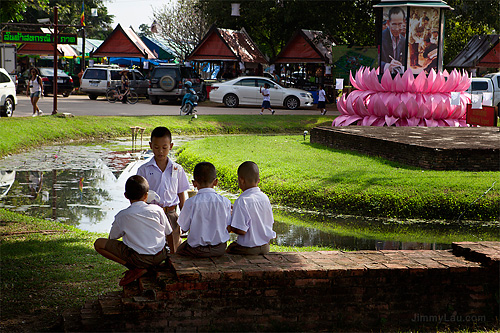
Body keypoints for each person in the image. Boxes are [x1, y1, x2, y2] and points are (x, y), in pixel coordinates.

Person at [94, 175, 174, 286]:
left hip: (138, 259)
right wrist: (172, 256)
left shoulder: (122, 215)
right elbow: (169, 233)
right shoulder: (157, 210)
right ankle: (148, 266)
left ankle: (133, 267)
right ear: (146, 195)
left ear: (126, 196)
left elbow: (112, 238)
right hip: (160, 256)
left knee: (99, 243)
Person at [137, 127, 190, 254]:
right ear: (150, 146)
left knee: (174, 248)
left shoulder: (177, 169)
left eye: (164, 148)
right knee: (152, 246)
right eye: (156, 147)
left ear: (171, 146)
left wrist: (184, 217)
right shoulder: (143, 169)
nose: (160, 151)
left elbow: (181, 193)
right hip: (151, 214)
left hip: (171, 213)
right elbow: (138, 195)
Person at [176, 162, 231, 257]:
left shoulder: (190, 202)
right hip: (219, 248)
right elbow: (228, 225)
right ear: (215, 182)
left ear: (194, 183)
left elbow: (183, 228)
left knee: (179, 250)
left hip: (197, 250)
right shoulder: (225, 202)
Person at [226, 161, 276, 255]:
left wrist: (230, 222)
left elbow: (241, 230)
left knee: (230, 248)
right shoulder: (264, 197)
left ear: (241, 180)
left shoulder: (242, 201)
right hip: (265, 246)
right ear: (258, 180)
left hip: (248, 248)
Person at [381, 7, 407, 74]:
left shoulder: (404, 40)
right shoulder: (381, 37)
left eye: (400, 24)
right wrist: (387, 67)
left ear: (404, 22)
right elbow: (375, 60)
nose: (397, 29)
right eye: (394, 24)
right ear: (388, 23)